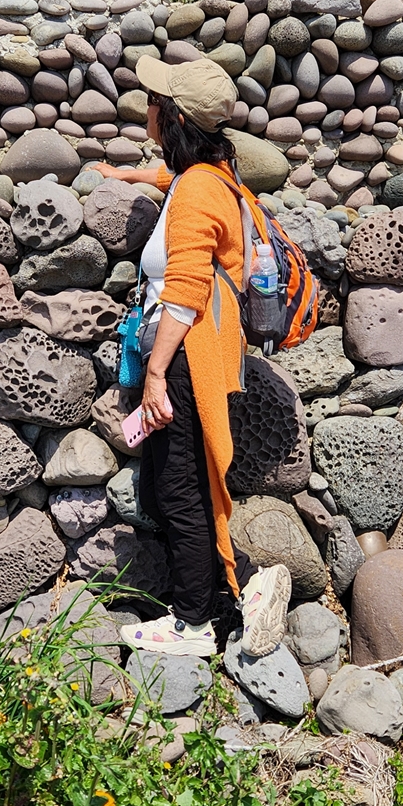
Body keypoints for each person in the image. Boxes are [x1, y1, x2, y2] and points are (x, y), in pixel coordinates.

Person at [96, 55, 289, 658]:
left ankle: (192, 623)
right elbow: (175, 186)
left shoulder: (200, 188)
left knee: (180, 487)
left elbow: (185, 289)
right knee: (177, 484)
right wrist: (126, 178)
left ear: (172, 117)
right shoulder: (205, 176)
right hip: (189, 354)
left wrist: (156, 375)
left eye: (153, 102)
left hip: (185, 359)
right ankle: (211, 604)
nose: (145, 109)